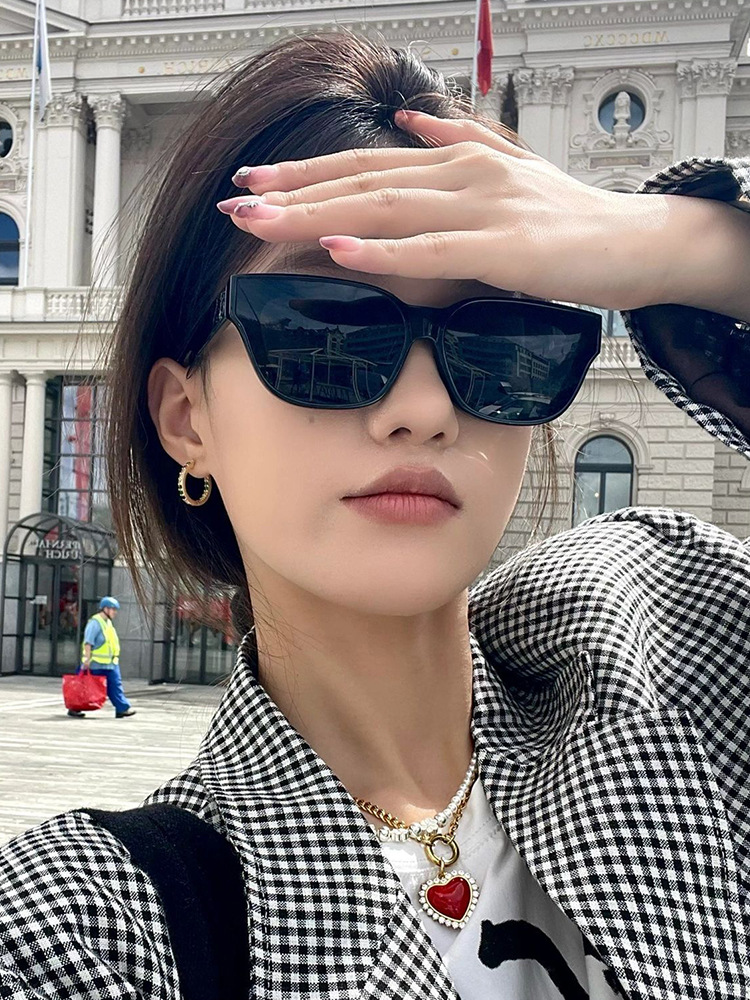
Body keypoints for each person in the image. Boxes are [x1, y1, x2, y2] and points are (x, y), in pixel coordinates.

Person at [1, 28, 749, 999]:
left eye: (502, 338)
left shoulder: (673, 640)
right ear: (187, 419)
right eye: (327, 330)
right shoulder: (92, 926)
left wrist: (675, 246)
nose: (425, 409)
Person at [67, 596, 136, 719]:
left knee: (115, 686)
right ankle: (74, 708)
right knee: (84, 686)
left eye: (115, 610)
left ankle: (122, 708)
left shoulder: (108, 623)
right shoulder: (95, 623)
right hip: (95, 663)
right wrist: (87, 659)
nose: (115, 612)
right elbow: (88, 642)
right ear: (105, 609)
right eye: (113, 609)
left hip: (110, 663)